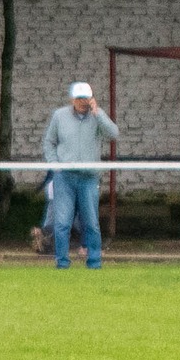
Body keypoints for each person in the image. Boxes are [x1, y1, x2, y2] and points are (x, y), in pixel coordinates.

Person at [41, 81, 117, 269]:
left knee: (91, 222)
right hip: (64, 177)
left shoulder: (97, 117)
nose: (83, 102)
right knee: (62, 223)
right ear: (72, 99)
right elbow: (49, 142)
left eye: (86, 98)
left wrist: (98, 113)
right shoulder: (59, 116)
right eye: (80, 98)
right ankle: (62, 262)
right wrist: (55, 165)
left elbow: (113, 133)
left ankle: (94, 262)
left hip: (89, 177)